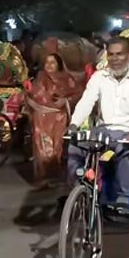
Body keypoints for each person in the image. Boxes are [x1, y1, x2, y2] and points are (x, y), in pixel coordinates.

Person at [68, 37, 129, 205]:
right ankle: (78, 188)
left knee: (127, 150)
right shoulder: (99, 77)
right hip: (102, 131)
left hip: (127, 132)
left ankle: (123, 197)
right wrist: (74, 124)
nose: (115, 59)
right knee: (74, 145)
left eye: (120, 54)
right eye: (111, 54)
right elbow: (86, 102)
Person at [26, 53, 81, 186]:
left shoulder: (67, 79)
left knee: (58, 148)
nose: (49, 65)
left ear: (59, 64)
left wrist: (65, 100)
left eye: (53, 62)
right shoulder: (39, 78)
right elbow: (31, 96)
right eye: (47, 62)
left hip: (58, 118)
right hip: (41, 119)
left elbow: (77, 96)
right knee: (42, 149)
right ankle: (42, 178)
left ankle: (56, 178)